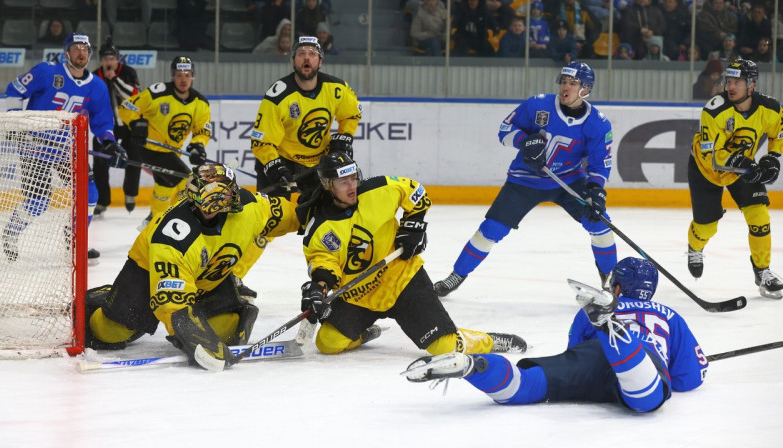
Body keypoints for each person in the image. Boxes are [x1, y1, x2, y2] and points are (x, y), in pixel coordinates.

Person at [404, 258, 708, 414]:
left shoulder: (584, 312)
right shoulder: (667, 314)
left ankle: (474, 366)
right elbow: (689, 379)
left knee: (524, 387)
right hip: (641, 358)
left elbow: (573, 352)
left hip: (591, 354)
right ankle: (612, 330)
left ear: (616, 288)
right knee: (646, 400)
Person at [298, 151, 527, 356]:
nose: (352, 186)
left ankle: (488, 340)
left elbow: (416, 192)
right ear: (328, 185)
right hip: (360, 294)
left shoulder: (380, 189)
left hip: (403, 280)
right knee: (328, 343)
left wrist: (413, 225)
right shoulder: (319, 227)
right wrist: (318, 288)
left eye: (353, 178)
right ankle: (366, 332)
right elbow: (324, 263)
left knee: (444, 347)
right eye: (342, 182)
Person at [85, 164, 301, 370]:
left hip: (208, 276)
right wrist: (196, 340)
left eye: (228, 191)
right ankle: (103, 299)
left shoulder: (250, 206)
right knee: (110, 331)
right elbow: (172, 301)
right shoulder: (173, 234)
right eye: (221, 194)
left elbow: (294, 215)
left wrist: (324, 205)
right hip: (149, 273)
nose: (229, 196)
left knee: (228, 329)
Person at [433, 62, 616, 297]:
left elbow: (600, 163)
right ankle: (456, 275)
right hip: (525, 179)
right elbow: (504, 130)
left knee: (601, 225)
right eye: (563, 82)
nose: (565, 88)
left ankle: (609, 283)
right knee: (490, 230)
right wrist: (524, 141)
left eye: (573, 83)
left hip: (568, 181)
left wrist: (596, 191)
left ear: (586, 89)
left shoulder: (598, 124)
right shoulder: (538, 105)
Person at [3, 33, 128, 265]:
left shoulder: (97, 86)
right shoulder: (47, 71)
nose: (80, 52)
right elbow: (14, 89)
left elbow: (102, 122)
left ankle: (75, 239)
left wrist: (109, 142)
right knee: (38, 203)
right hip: (35, 147)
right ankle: (11, 232)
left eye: (84, 48)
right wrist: (14, 120)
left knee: (90, 193)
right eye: (76, 47)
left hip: (67, 149)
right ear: (66, 52)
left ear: (89, 54)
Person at [687, 59, 783, 298]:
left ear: (751, 84)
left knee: (759, 216)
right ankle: (694, 247)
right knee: (707, 227)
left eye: (737, 81)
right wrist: (743, 162)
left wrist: (772, 158)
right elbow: (711, 155)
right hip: (706, 170)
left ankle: (763, 272)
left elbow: (779, 134)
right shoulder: (715, 109)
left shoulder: (770, 108)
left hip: (743, 168)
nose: (730, 86)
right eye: (729, 81)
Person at [251, 36, 361, 199]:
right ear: (293, 61)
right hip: (284, 162)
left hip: (320, 164)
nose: (307, 57)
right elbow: (262, 141)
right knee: (272, 218)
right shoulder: (278, 96)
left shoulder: (337, 89)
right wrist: (274, 166)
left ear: (320, 62)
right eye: (301, 53)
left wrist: (345, 135)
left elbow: (351, 114)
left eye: (313, 54)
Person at [118, 56, 212, 230]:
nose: (183, 79)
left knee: (165, 188)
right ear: (172, 76)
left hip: (171, 152)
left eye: (187, 74)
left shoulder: (201, 103)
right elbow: (126, 106)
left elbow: (202, 131)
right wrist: (135, 123)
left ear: (193, 76)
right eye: (179, 74)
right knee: (188, 182)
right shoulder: (157, 93)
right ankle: (190, 223)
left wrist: (198, 145)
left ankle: (153, 221)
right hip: (147, 148)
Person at [92, 37, 141, 217]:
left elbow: (134, 95)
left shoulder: (128, 72)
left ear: (117, 59)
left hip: (129, 125)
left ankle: (130, 193)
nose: (108, 62)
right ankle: (102, 201)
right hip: (105, 128)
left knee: (134, 159)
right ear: (101, 60)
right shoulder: (94, 76)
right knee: (99, 164)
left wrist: (115, 80)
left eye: (112, 58)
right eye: (105, 59)